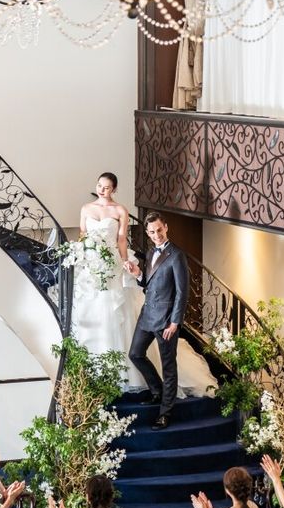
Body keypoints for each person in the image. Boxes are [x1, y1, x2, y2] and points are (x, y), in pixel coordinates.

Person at [72, 174, 216, 405]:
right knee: (96, 317)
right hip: (91, 265)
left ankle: (161, 402)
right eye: (99, 186)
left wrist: (123, 263)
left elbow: (121, 240)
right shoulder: (86, 208)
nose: (102, 190)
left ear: (114, 189)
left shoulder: (121, 211)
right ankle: (97, 374)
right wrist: (83, 257)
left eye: (107, 187)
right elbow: (83, 235)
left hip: (113, 266)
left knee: (118, 316)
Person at [127, 210, 190, 430]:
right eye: (152, 232)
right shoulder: (150, 251)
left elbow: (182, 293)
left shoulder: (177, 255)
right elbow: (149, 283)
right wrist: (137, 273)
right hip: (147, 314)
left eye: (159, 230)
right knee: (135, 354)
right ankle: (157, 390)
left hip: (166, 321)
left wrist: (175, 323)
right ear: (147, 233)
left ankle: (165, 413)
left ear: (166, 227)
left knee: (168, 367)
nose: (157, 235)